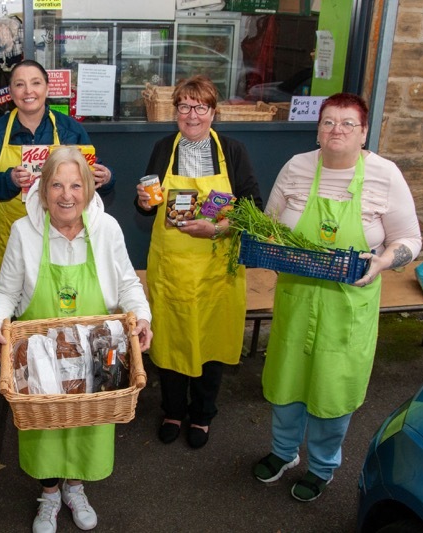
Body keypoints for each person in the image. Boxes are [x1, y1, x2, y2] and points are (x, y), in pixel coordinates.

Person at [252, 93, 422, 502]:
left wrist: (383, 262)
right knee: (287, 381)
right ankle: (283, 452)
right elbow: (269, 225)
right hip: (297, 299)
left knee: (333, 390)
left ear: (364, 132)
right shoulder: (297, 167)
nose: (337, 131)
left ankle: (323, 466)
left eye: (348, 123)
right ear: (318, 129)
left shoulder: (384, 174)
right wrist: (264, 246)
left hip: (348, 306)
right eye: (329, 122)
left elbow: (409, 240)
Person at [0, 146, 152, 533]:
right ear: (43, 191)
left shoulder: (106, 229)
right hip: (39, 351)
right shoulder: (24, 231)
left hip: (97, 350)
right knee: (43, 426)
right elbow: (6, 291)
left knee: (88, 424)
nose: (67, 195)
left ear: (89, 189)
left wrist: (142, 317)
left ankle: (75, 487)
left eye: (76, 185)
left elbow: (128, 283)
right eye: (57, 185)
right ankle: (49, 493)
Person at [135, 75, 263, 449]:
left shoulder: (234, 151)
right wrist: (144, 202)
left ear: (213, 112)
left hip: (215, 267)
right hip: (172, 265)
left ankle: (203, 414)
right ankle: (173, 410)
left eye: (199, 107)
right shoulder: (163, 148)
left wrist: (219, 229)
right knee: (173, 341)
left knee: (210, 340)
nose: (191, 115)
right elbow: (147, 204)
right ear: (175, 111)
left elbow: (252, 205)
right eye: (184, 106)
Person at [0, 59, 115, 280]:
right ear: (10, 92)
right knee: (14, 302)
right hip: (12, 241)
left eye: (36, 83)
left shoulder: (71, 130)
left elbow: (92, 180)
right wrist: (7, 180)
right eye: (20, 84)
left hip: (65, 240)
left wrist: (106, 178)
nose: (28, 91)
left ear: (47, 88)